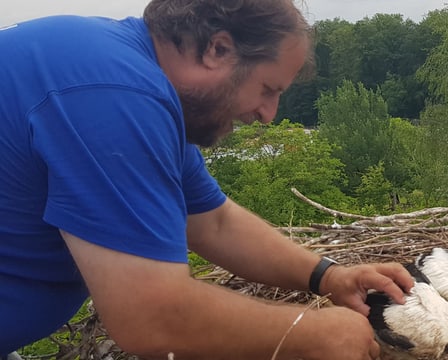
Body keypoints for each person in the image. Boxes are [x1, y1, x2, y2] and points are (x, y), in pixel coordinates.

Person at [0, 1, 414, 359]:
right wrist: (309, 332)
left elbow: (211, 221)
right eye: (267, 89)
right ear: (218, 49)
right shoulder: (112, 96)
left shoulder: (130, 79)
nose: (268, 114)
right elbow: (152, 318)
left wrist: (327, 276)